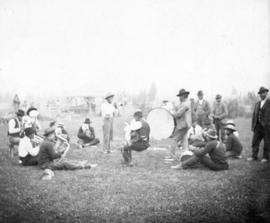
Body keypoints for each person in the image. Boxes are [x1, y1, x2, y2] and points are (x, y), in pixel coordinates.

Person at [165, 89, 192, 162]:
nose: (179, 98)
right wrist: (171, 106)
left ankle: (172, 155)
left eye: (180, 96)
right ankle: (185, 154)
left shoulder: (185, 104)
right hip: (185, 124)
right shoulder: (185, 103)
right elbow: (178, 108)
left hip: (183, 125)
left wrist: (170, 113)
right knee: (184, 139)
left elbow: (178, 114)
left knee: (174, 139)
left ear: (183, 96)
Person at [248, 87, 270, 162]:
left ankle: (265, 157)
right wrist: (253, 126)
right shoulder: (257, 104)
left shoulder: (269, 103)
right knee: (255, 141)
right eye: (260, 93)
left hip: (267, 127)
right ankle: (254, 156)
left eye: (263, 93)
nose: (261, 94)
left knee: (267, 142)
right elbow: (254, 116)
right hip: (257, 126)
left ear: (266, 93)